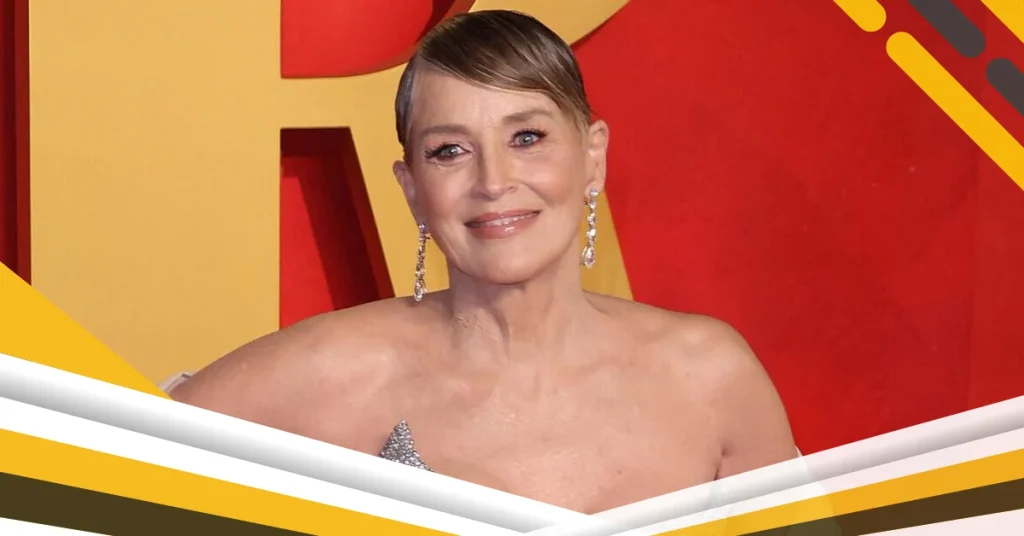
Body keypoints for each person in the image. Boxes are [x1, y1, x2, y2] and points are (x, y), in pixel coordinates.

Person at [170, 9, 797, 513]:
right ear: (412, 189)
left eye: (526, 137)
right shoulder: (339, 370)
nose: (493, 181)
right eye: (449, 151)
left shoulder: (709, 377)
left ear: (593, 157)